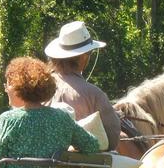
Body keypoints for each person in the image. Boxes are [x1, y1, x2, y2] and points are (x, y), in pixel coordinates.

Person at [45, 20, 120, 150]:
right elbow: (112, 141)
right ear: (83, 57)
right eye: (89, 53)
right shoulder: (95, 95)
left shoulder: (38, 87)